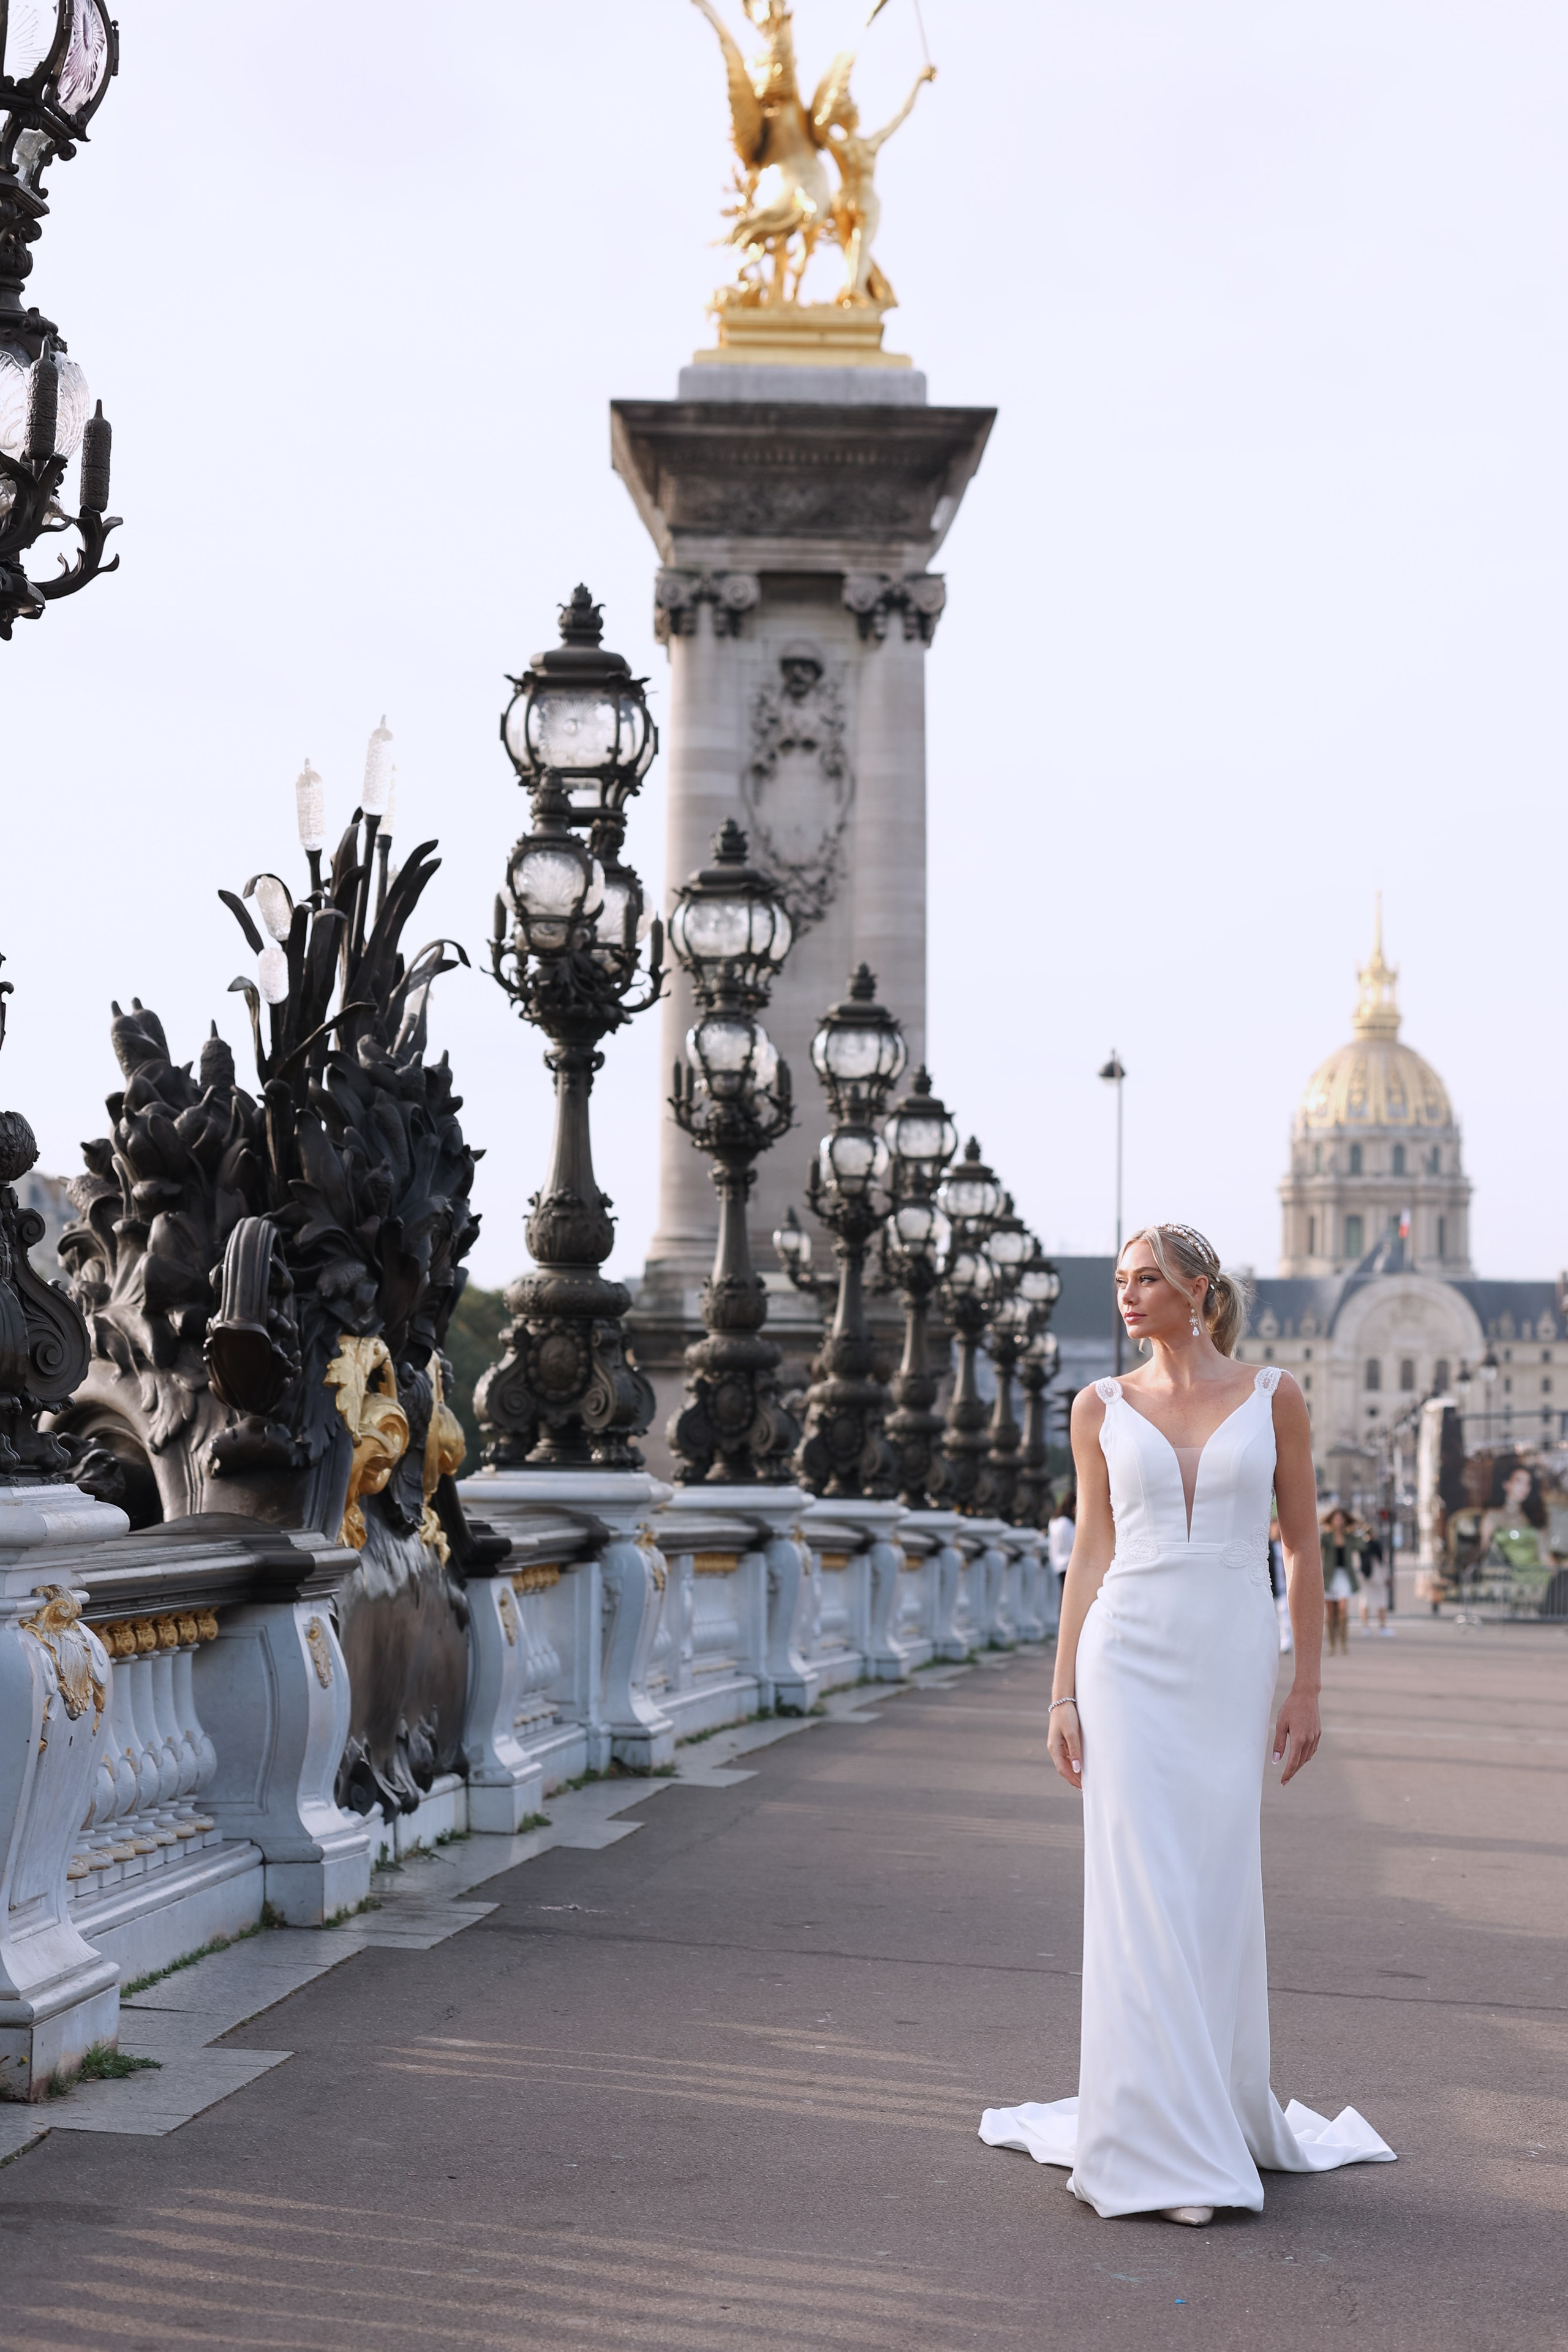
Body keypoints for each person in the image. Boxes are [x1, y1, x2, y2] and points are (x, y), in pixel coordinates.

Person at [979, 1223, 1393, 2223]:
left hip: (1229, 1655)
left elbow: (1301, 1549)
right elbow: (1088, 1555)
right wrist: (1062, 1690)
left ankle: (1210, 2103)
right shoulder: (1099, 1407)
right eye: (1121, 1280)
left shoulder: (1275, 1395)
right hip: (1126, 1652)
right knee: (1139, 1886)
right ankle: (1161, 2144)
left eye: (1148, 1279)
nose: (1127, 1296)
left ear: (1199, 1290)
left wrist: (1308, 1688)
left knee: (1209, 1882)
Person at [1321, 1508, 1359, 1654]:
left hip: (1345, 1576)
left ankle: (1344, 1643)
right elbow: (1316, 1545)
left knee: (1343, 1610)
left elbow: (1362, 1545)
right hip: (1330, 1576)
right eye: (1336, 1518)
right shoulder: (1326, 1537)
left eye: (1341, 1519)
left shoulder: (1350, 1537)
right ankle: (1331, 1644)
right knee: (1330, 1613)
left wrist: (1359, 1527)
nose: (1339, 1521)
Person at [1046, 1485, 1077, 1619]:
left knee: (1064, 1595)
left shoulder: (1054, 1521)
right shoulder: (1067, 1524)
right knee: (1070, 1597)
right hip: (1068, 1563)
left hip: (1057, 1563)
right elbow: (1073, 1544)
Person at [1357, 1524, 1393, 1637]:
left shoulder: (1362, 1546)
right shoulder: (1377, 1545)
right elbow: (1382, 1562)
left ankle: (1366, 1626)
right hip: (1377, 1575)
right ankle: (1382, 1626)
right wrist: (1387, 1576)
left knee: (1365, 1601)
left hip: (1365, 1575)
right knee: (1381, 1601)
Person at [1268, 1514, 1293, 1653]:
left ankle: (1286, 1642)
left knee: (1285, 1614)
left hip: (1284, 1587)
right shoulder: (1268, 1546)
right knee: (1273, 1617)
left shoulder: (1286, 1546)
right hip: (1272, 1586)